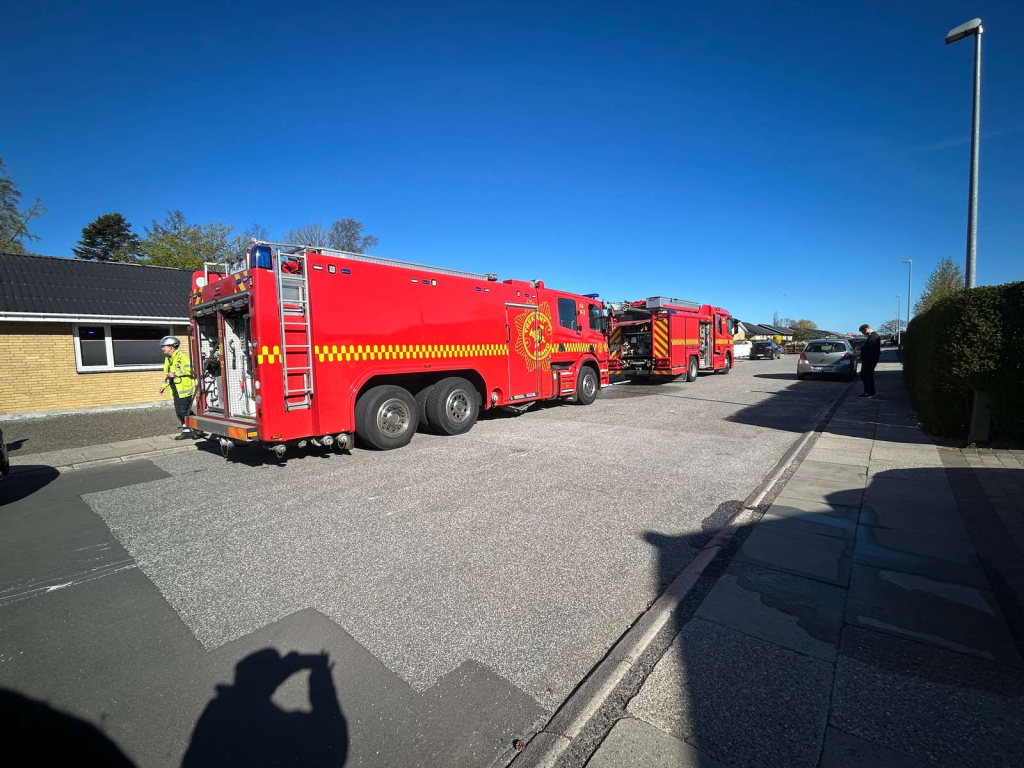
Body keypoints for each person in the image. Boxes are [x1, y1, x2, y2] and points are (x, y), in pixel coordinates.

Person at [159, 336, 196, 440]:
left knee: (184, 411)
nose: (162, 348)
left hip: (184, 389)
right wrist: (163, 386)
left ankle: (198, 429)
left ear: (171, 347)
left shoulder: (182, 357)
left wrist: (176, 373)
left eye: (164, 346)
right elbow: (168, 374)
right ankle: (187, 431)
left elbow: (191, 370)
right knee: (179, 412)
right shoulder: (168, 359)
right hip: (176, 389)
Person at [857, 323, 881, 399]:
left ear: (866, 329)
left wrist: (861, 348)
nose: (863, 334)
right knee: (865, 375)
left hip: (869, 360)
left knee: (867, 376)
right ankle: (867, 392)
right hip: (868, 359)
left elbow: (870, 348)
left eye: (863, 332)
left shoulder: (873, 337)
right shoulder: (872, 336)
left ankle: (869, 393)